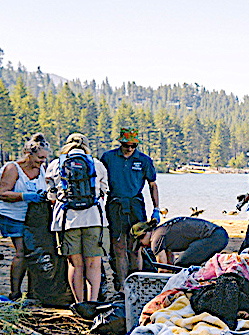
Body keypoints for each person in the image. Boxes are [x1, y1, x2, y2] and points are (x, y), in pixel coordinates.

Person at [45, 133, 109, 303]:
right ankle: (93, 302)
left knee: (75, 264)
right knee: (94, 264)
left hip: (66, 220)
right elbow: (103, 192)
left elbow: (51, 196)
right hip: (94, 219)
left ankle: (79, 303)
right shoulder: (96, 164)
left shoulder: (54, 165)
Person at [100, 127, 160, 292]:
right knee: (118, 247)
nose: (129, 149)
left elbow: (152, 185)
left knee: (136, 247)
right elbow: (100, 181)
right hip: (115, 205)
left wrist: (156, 208)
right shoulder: (108, 157)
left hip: (135, 206)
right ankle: (122, 287)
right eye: (127, 145)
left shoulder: (144, 160)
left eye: (133, 146)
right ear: (121, 143)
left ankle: (136, 284)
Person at [0, 133, 50, 300]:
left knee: (33, 252)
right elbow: (2, 193)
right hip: (12, 216)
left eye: (45, 158)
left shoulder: (41, 169)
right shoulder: (12, 168)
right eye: (39, 158)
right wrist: (26, 196)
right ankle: (14, 293)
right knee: (21, 251)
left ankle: (32, 292)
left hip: (33, 217)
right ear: (29, 154)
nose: (42, 161)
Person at [130, 216, 228, 269]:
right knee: (179, 266)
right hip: (218, 234)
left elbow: (163, 268)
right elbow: (169, 263)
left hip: (214, 237)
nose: (143, 246)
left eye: (141, 243)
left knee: (180, 265)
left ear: (144, 234)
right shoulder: (161, 231)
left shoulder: (155, 239)